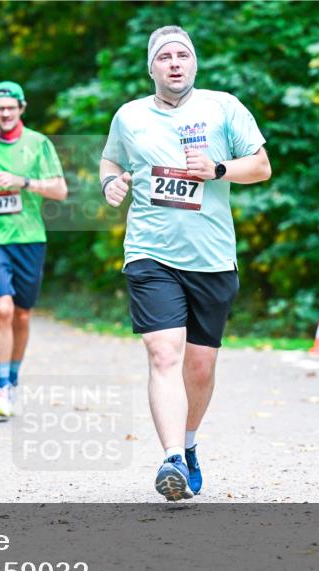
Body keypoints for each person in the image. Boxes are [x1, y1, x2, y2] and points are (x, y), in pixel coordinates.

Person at [99, 26, 271, 501]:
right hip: (150, 253)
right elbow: (111, 163)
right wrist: (110, 184)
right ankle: (172, 457)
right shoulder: (130, 116)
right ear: (151, 67)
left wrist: (217, 170)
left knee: (199, 366)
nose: (175, 63)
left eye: (184, 56)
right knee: (164, 354)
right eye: (165, 57)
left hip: (213, 258)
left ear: (194, 64)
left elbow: (260, 166)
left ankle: (190, 443)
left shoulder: (222, 108)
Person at [0, 81, 68, 418]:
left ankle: (13, 379)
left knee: (22, 313)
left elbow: (60, 191)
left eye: (12, 108)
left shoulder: (38, 143)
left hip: (29, 237)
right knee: (3, 308)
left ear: (21, 108)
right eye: (0, 108)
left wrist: (24, 183)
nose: (6, 113)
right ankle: (1, 385)